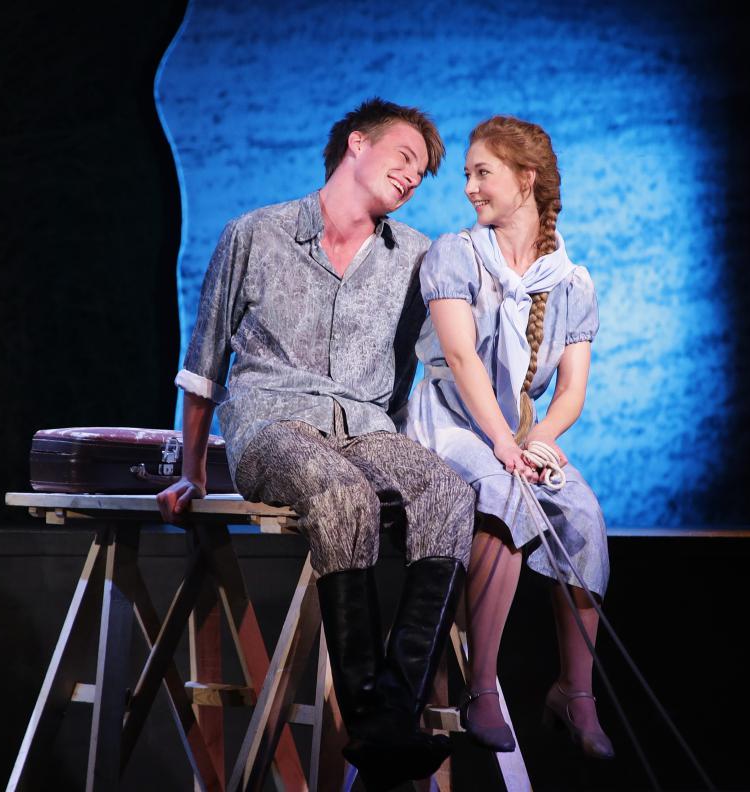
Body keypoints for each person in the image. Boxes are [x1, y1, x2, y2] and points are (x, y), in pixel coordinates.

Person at [156, 98, 474, 788]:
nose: (412, 177)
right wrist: (193, 472)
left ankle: (393, 713)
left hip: (365, 429)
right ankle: (367, 720)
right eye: (405, 157)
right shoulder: (255, 233)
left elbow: (446, 361)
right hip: (274, 425)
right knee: (340, 494)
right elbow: (203, 366)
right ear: (357, 144)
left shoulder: (417, 256)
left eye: (421, 173)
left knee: (449, 492)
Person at [400, 116, 613, 758]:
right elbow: (461, 358)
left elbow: (570, 391)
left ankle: (576, 693)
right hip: (451, 420)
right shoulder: (455, 255)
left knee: (582, 513)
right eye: (467, 173)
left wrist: (538, 441)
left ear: (526, 179)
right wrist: (502, 443)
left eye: (482, 172)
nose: (469, 186)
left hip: (517, 430)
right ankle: (482, 688)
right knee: (504, 494)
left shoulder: (571, 282)